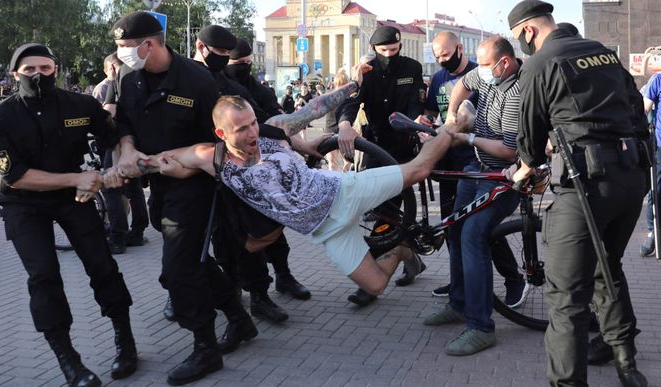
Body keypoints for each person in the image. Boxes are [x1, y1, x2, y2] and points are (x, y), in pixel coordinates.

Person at [133, 71, 472, 298]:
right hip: (325, 231)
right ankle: (398, 249)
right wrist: (123, 170)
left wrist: (352, 85)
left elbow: (314, 108)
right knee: (376, 285)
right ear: (222, 133)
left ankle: (455, 126)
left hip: (342, 192)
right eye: (242, 129)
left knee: (420, 168)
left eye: (253, 123)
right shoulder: (212, 156)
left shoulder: (272, 130)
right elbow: (159, 158)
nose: (252, 133)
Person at [109, 12, 257, 385]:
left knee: (178, 270)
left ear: (150, 44)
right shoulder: (128, 76)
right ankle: (239, 320)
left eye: (126, 47)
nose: (121, 53)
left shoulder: (197, 80)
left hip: (195, 183)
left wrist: (187, 165)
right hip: (158, 183)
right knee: (193, 260)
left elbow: (220, 141)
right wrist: (126, 147)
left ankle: (205, 349)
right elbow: (124, 121)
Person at [507, 2, 649, 386]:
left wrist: (525, 167)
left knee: (567, 296)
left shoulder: (540, 63)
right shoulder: (603, 53)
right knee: (608, 267)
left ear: (528, 32)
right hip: (632, 178)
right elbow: (638, 112)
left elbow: (530, 137)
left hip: (585, 184)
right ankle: (625, 362)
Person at [0, 43, 137, 387]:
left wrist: (123, 158)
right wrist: (78, 178)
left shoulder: (80, 104)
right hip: (23, 203)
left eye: (46, 68)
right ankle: (70, 362)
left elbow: (116, 132)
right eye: (29, 70)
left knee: (103, 266)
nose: (39, 75)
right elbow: (15, 175)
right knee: (44, 277)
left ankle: (125, 341)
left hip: (74, 199)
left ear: (56, 70)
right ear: (14, 74)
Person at [192, 25, 309, 325]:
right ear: (201, 47)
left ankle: (261, 295)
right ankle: (227, 294)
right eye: (221, 55)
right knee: (218, 240)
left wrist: (292, 140)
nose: (235, 64)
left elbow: (261, 121)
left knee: (255, 233)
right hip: (202, 172)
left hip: (241, 172)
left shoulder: (234, 87)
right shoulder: (186, 79)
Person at [422, 36, 525, 356]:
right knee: (453, 228)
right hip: (476, 169)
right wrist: (451, 115)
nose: (481, 72)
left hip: (504, 176)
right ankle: (459, 302)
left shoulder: (517, 93)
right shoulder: (486, 72)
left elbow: (508, 151)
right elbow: (463, 85)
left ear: (504, 63)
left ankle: (481, 326)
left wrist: (466, 136)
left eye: (485, 66)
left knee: (472, 235)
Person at [340, 25, 429, 306]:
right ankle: (408, 255)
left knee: (389, 213)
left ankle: (372, 283)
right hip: (376, 148)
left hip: (405, 147)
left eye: (394, 49)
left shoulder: (412, 67)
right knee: (380, 209)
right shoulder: (364, 71)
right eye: (383, 51)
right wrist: (344, 124)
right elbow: (350, 103)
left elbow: (417, 102)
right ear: (374, 49)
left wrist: (420, 122)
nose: (389, 55)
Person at [423, 31, 480, 298]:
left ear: (459, 47)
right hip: (447, 163)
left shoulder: (480, 74)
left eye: (445, 55)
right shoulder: (438, 78)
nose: (441, 60)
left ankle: (514, 279)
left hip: (475, 161)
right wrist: (424, 122)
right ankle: (457, 282)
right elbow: (430, 113)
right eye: (437, 57)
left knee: (478, 227)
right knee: (450, 226)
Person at [93, 52, 150, 254]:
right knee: (134, 189)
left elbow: (109, 113)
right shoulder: (140, 81)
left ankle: (117, 237)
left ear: (112, 68)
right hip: (137, 143)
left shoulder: (116, 83)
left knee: (112, 188)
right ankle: (138, 231)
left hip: (117, 144)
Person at [639, 72, 661, 257]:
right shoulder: (658, 79)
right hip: (660, 147)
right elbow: (644, 110)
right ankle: (652, 232)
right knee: (657, 190)